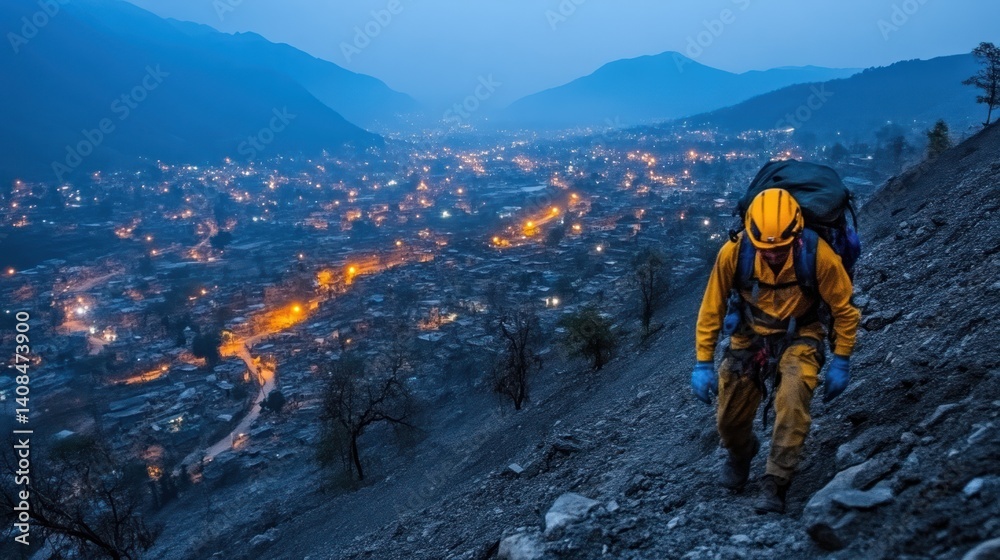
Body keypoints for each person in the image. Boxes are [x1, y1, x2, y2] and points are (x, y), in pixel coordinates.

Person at [691, 187, 860, 513]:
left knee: (793, 399)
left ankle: (776, 481)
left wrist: (841, 358)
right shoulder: (733, 253)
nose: (772, 255)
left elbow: (844, 309)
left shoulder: (819, 256)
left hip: (802, 335)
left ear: (797, 234)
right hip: (749, 336)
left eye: (781, 249)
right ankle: (741, 452)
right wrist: (703, 362)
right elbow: (711, 309)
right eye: (764, 250)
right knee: (728, 420)